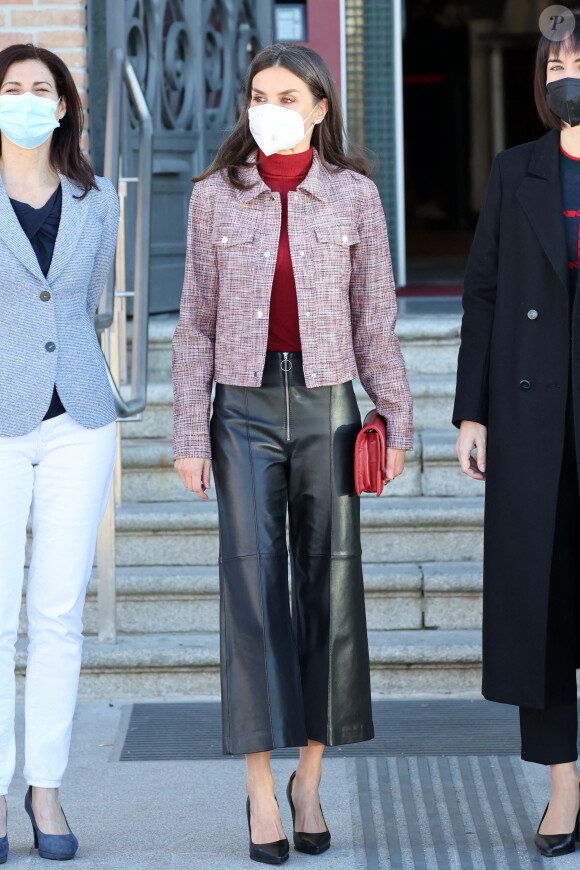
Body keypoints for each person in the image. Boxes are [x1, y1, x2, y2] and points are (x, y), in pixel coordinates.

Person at [173, 42, 413, 865]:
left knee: (330, 586)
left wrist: (397, 417)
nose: (267, 106)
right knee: (248, 590)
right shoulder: (213, 197)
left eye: (285, 95)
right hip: (239, 412)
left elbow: (374, 318)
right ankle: (256, 789)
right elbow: (195, 323)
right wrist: (184, 435)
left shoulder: (354, 196)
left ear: (317, 109)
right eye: (257, 93)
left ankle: (310, 774)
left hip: (329, 410)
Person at [454, 9, 580, 859]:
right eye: (558, 60)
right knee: (546, 608)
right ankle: (563, 788)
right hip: (537, 420)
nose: (568, 70)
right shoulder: (516, 171)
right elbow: (484, 293)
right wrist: (474, 409)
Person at [0, 44, 119, 862]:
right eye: (11, 88)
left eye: (41, 88)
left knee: (57, 617)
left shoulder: (98, 196)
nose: (27, 99)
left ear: (67, 105)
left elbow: (95, 300)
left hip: (80, 418)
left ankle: (45, 791)